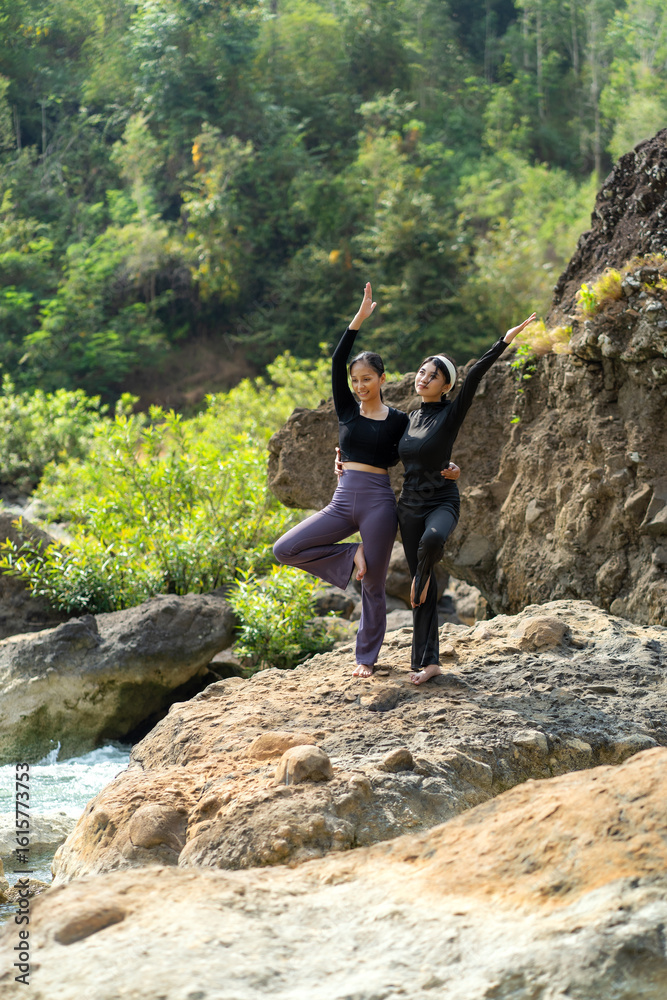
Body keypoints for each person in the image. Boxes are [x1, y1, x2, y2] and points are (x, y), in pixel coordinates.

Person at [274, 283, 458, 678]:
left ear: (382, 379)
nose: (360, 385)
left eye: (367, 379)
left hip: (378, 504)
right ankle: (349, 554)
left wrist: (451, 468)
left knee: (373, 584)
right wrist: (359, 319)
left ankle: (366, 657)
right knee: (285, 548)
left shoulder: (399, 421)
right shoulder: (346, 410)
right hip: (342, 500)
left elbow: (421, 450)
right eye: (356, 379)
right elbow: (337, 359)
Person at [398, 312, 536, 685]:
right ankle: (427, 662)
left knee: (433, 543)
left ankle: (421, 577)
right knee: (424, 594)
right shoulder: (408, 419)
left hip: (442, 500)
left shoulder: (450, 412)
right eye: (422, 372)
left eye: (433, 376)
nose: (424, 378)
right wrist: (344, 462)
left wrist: (505, 340)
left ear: (445, 386)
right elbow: (378, 445)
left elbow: (474, 376)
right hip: (408, 507)